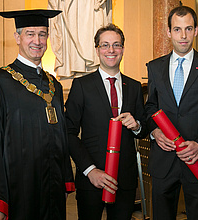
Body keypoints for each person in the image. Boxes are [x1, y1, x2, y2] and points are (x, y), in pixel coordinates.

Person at [0, 9, 75, 220]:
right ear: (17, 37)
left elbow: (61, 138)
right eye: (30, 33)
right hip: (17, 195)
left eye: (42, 34)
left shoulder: (55, 87)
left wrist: (63, 180)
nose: (37, 40)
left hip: (52, 194)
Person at [144, 6, 198, 220]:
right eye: (177, 29)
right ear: (169, 32)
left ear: (196, 31)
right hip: (163, 161)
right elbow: (150, 107)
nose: (183, 36)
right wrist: (155, 132)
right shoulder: (154, 67)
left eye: (188, 29)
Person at [65, 23, 148, 220]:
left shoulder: (135, 87)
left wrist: (136, 126)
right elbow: (68, 132)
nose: (111, 50)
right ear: (97, 50)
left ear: (123, 49)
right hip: (91, 178)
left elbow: (144, 129)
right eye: (105, 45)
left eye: (116, 45)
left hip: (125, 182)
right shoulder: (81, 86)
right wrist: (90, 171)